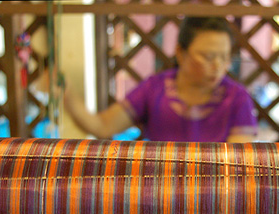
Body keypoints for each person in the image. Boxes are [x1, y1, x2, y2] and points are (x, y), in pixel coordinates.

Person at [64, 17, 258, 142]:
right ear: (180, 53)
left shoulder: (237, 98)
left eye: (224, 57)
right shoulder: (155, 89)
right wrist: (66, 94)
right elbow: (103, 126)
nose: (218, 66)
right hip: (160, 194)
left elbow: (237, 165)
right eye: (208, 57)